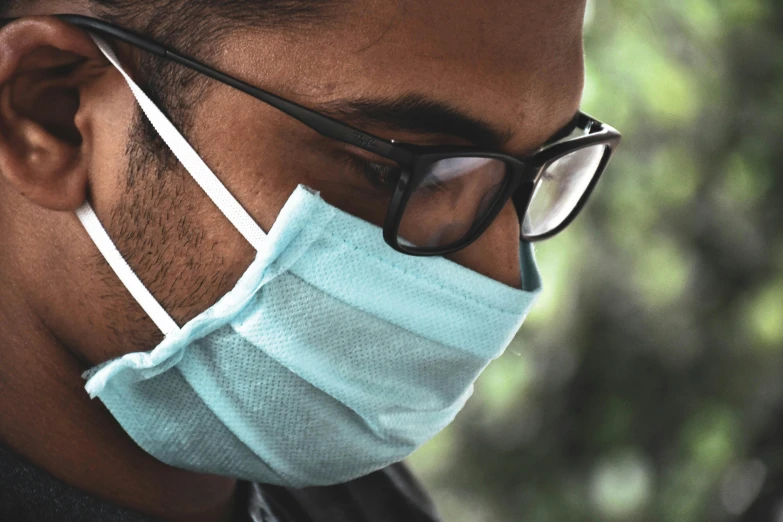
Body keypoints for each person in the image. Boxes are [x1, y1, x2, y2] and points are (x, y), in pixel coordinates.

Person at [0, 1, 620, 521]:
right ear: (50, 118)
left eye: (530, 173)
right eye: (391, 170)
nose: (501, 275)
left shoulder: (359, 503)